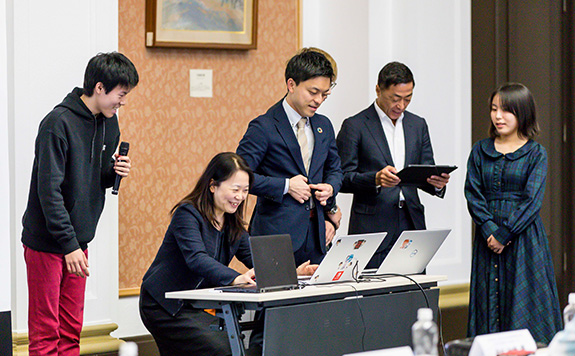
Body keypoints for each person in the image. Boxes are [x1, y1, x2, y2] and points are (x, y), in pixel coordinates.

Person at [139, 152, 316, 356]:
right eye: (235, 189)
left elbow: (256, 258)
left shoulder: (232, 223)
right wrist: (235, 277)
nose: (240, 197)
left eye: (245, 191)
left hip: (197, 304)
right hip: (164, 304)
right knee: (225, 349)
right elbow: (197, 259)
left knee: (235, 346)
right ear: (213, 185)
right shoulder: (187, 214)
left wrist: (293, 272)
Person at [21, 52, 139, 356]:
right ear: (99, 88)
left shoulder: (110, 124)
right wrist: (69, 245)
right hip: (48, 243)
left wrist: (113, 172)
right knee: (46, 333)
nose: (122, 102)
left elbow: (92, 177)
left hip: (78, 242)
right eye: (120, 94)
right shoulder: (57, 123)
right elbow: (50, 192)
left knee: (71, 332)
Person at [464, 83, 561, 343]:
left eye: (506, 110)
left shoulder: (536, 153)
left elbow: (532, 200)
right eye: (494, 109)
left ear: (523, 113)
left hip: (523, 240)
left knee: (524, 303)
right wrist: (489, 231)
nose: (498, 116)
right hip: (487, 240)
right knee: (489, 304)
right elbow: (473, 194)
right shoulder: (479, 151)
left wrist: (505, 233)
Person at [336, 61, 449, 268]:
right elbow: (340, 178)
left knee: (413, 293)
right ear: (378, 90)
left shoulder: (418, 124)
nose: (401, 106)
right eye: (395, 98)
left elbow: (425, 169)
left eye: (408, 98)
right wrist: (375, 179)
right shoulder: (355, 125)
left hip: (411, 222)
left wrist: (436, 183)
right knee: (375, 295)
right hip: (373, 225)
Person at [236, 49, 343, 266]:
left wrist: (331, 188)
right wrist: (286, 186)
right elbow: (240, 178)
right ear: (291, 84)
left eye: (324, 94)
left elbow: (335, 169)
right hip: (276, 236)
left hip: (317, 237)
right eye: (313, 92)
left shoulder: (324, 125)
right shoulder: (263, 126)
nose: (319, 100)